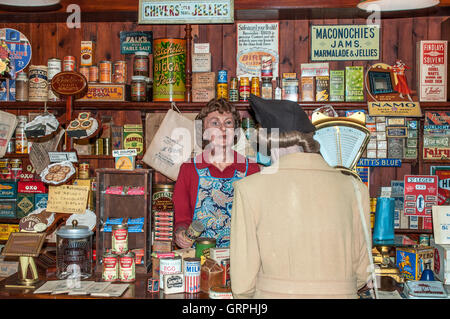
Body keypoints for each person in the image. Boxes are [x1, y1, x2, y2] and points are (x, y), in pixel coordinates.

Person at [229, 94, 372, 299]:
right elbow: (362, 273)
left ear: (268, 141)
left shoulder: (249, 188)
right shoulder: (355, 188)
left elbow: (242, 284)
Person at [173, 98, 260, 248]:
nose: (222, 129)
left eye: (228, 123)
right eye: (214, 123)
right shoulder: (189, 169)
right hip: (198, 259)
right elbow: (181, 217)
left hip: (240, 257)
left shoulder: (250, 169)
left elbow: (258, 219)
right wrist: (181, 233)